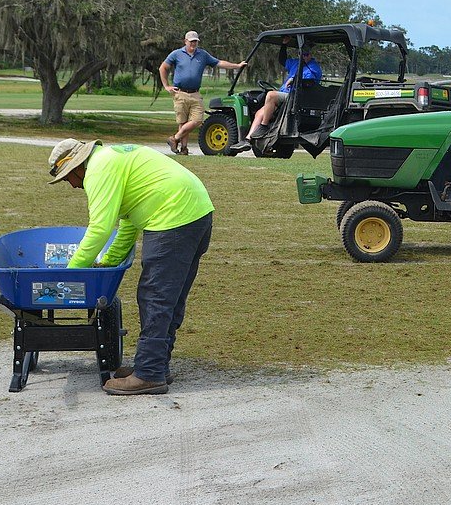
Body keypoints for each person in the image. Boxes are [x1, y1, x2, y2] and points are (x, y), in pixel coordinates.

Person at [48, 138, 215, 396]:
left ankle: (149, 374)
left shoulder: (98, 169)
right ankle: (155, 364)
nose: (71, 185)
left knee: (155, 297)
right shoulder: (113, 158)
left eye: (67, 177)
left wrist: (71, 274)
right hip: (196, 212)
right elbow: (128, 224)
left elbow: (100, 229)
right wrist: (108, 262)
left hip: (173, 218)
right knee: (170, 298)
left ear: (76, 166)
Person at [159, 30, 247, 155]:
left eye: (196, 41)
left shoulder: (203, 55)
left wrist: (237, 66)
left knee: (197, 120)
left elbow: (219, 63)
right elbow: (163, 67)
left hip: (195, 93)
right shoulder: (177, 54)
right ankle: (184, 149)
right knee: (183, 122)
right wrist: (166, 86)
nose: (194, 44)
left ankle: (174, 138)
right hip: (180, 93)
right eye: (191, 41)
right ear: (185, 41)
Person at [229, 37, 322, 152]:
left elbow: (309, 83)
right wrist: (284, 45)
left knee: (271, 95)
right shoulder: (296, 63)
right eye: (303, 54)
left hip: (297, 97)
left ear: (310, 55)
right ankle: (248, 140)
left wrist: (294, 79)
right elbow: (282, 60)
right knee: (259, 113)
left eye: (307, 54)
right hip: (286, 95)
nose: (305, 56)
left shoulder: (314, 68)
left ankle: (263, 127)